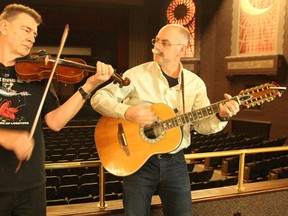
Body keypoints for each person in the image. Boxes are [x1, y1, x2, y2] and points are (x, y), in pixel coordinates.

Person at [91, 23, 240, 216]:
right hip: (138, 162)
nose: (156, 47)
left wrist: (221, 116)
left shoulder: (195, 84)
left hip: (175, 163)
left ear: (182, 49)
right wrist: (127, 112)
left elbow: (202, 126)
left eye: (165, 43)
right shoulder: (136, 75)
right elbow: (98, 98)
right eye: (156, 41)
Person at [0, 3, 114, 216]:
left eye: (34, 33)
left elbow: (55, 122)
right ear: (4, 26)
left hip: (31, 185)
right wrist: (6, 137)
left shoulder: (38, 73)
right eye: (26, 30)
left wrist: (88, 86)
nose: (32, 38)